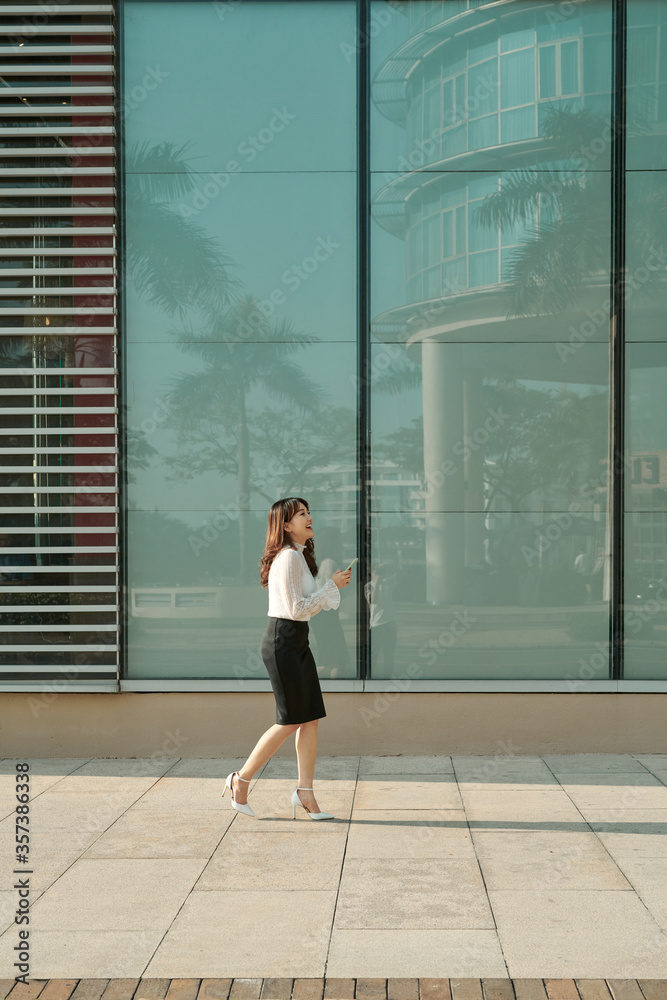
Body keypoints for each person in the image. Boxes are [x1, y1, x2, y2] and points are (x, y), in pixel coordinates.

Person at [221, 497, 351, 820]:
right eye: (301, 514)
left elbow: (305, 604)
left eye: (309, 512)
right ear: (286, 524)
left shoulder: (297, 557)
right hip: (283, 642)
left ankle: (304, 792)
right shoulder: (290, 558)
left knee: (309, 718)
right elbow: (297, 610)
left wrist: (329, 588)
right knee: (290, 719)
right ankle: (241, 779)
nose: (309, 517)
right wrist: (330, 587)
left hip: (296, 642)